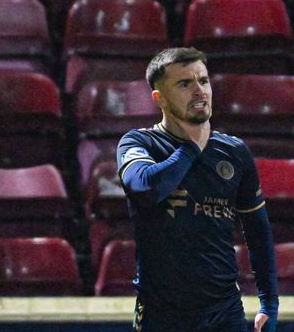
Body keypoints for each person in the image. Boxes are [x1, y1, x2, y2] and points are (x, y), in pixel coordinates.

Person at [116, 47, 278, 332]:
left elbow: (258, 231)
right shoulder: (139, 144)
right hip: (162, 313)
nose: (199, 91)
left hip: (224, 311)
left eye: (203, 81)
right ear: (160, 98)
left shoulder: (234, 152)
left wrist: (269, 302)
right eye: (184, 84)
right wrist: (192, 148)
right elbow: (145, 188)